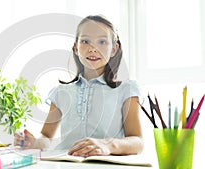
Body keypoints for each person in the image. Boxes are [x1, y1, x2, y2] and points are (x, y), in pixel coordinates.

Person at [14, 15, 143, 157]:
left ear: (114, 49)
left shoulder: (126, 90)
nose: (93, 48)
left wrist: (108, 145)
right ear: (76, 47)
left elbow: (137, 141)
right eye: (85, 41)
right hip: (67, 164)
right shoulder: (61, 92)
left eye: (102, 41)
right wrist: (33, 142)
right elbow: (46, 137)